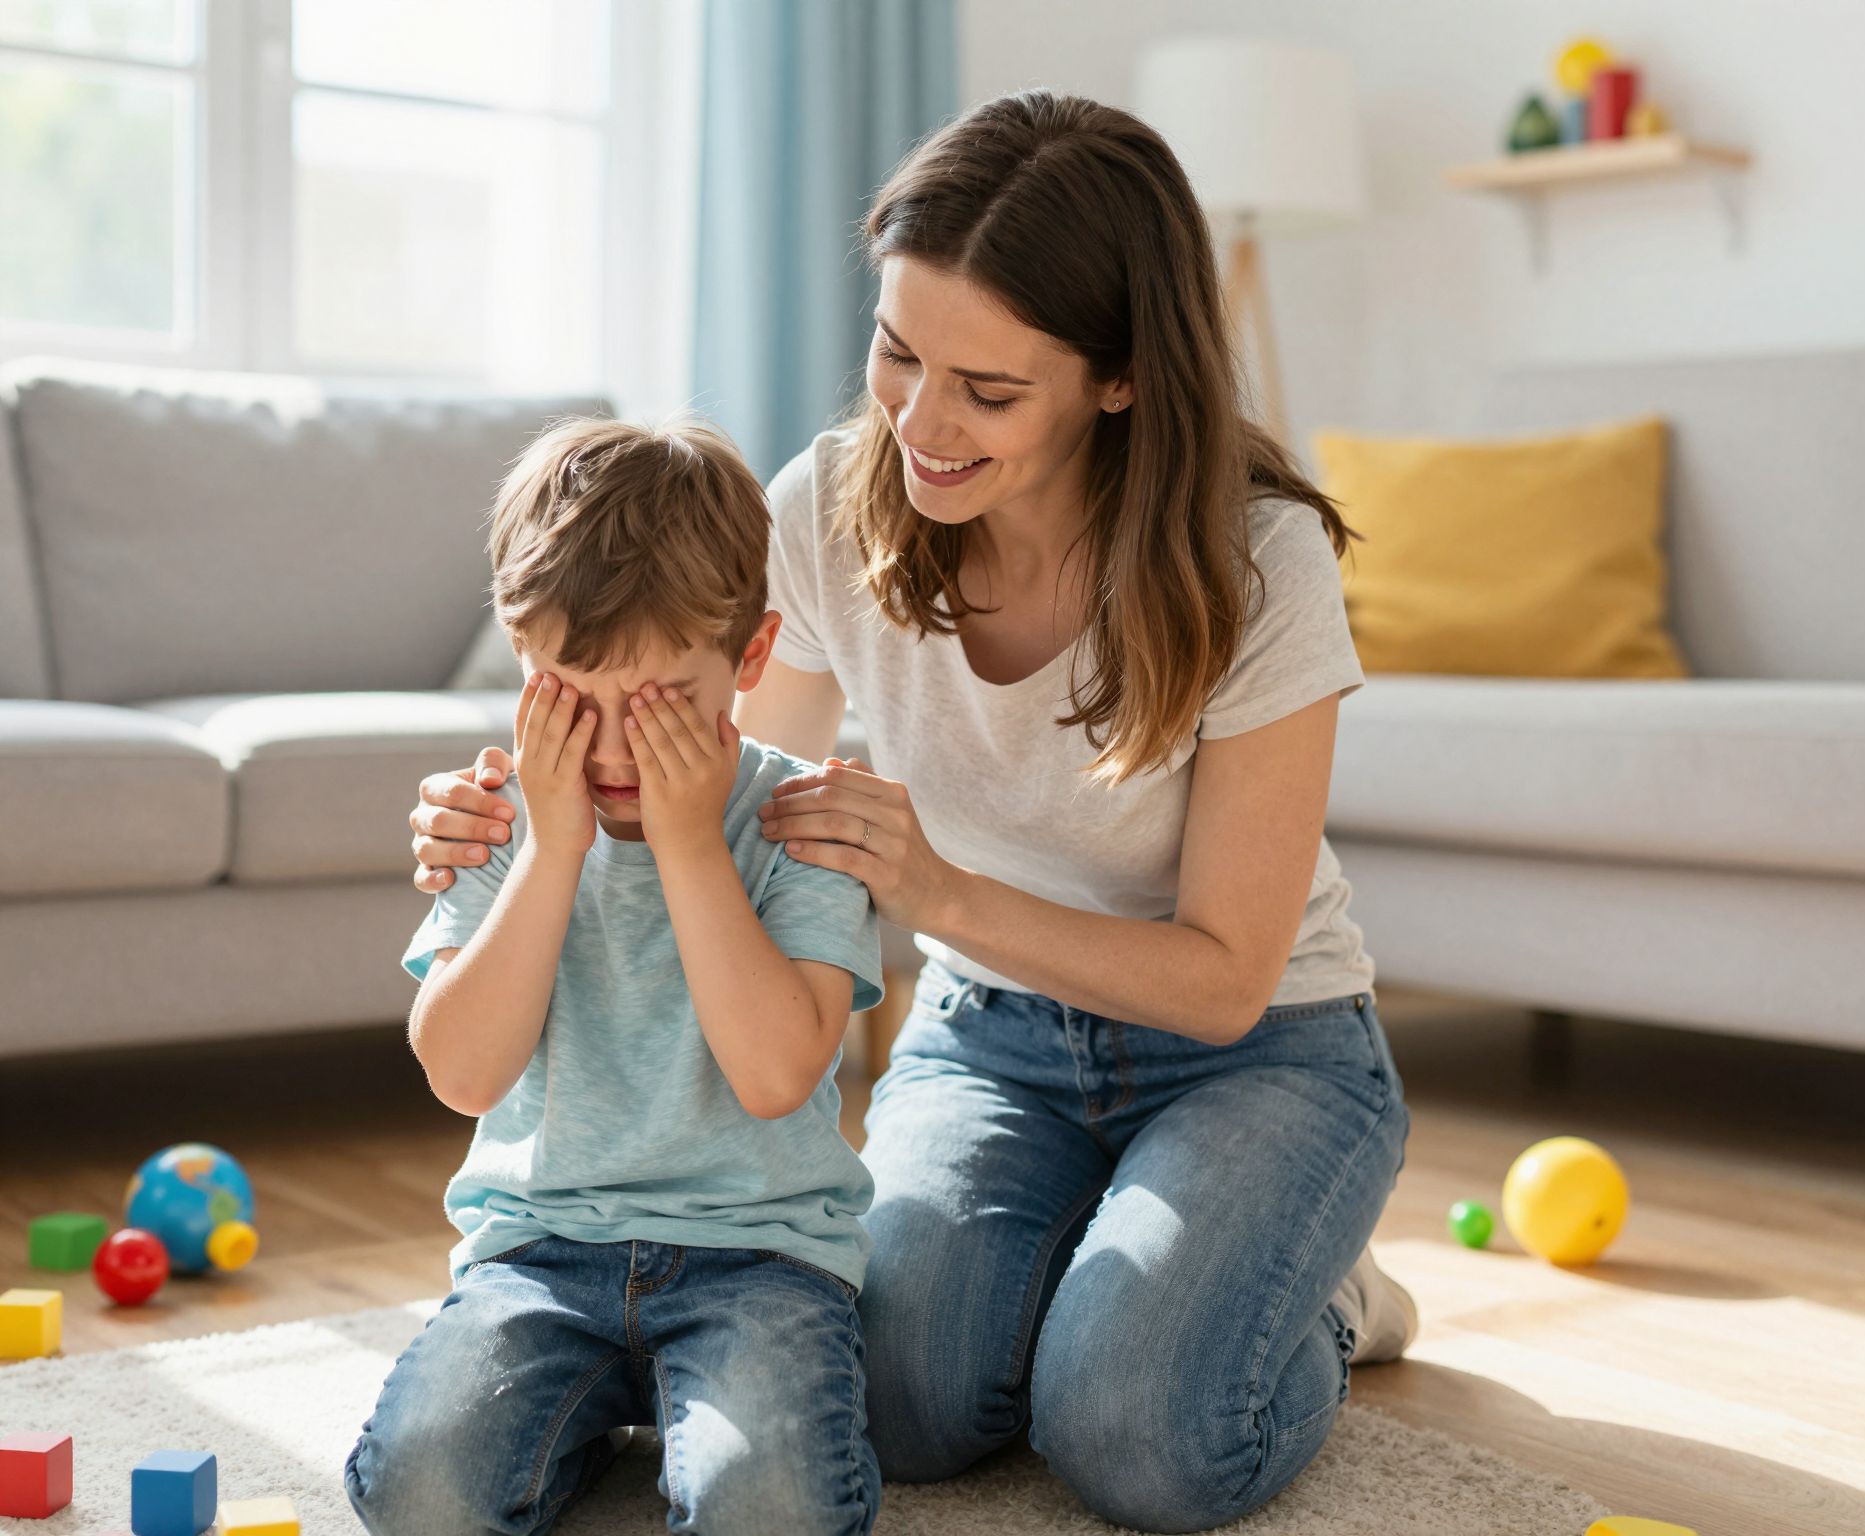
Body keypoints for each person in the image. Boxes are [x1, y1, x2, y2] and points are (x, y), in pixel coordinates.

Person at [407, 91, 1412, 1534]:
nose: (920, 425)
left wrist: (935, 896)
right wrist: (510, 822)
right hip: (993, 1043)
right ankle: (1113, 1260)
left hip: (1260, 1057)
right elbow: (720, 795)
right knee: (895, 1403)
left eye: (987, 391)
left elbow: (1226, 979)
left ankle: (1313, 1299)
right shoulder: (827, 512)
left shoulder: (1258, 563)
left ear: (1117, 380)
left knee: (1135, 1431)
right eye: (896, 354)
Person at [349, 419, 886, 1536]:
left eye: (654, 704)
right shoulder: (501, 819)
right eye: (569, 698)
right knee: (421, 1495)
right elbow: (461, 1071)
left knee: (771, 1508)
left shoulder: (799, 821)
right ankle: (585, 1427)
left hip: (763, 1263)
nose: (605, 751)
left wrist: (691, 847)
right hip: (536, 1257)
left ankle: (637, 1424)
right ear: (521, 654)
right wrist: (547, 854)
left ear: (748, 660)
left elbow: (778, 1075)